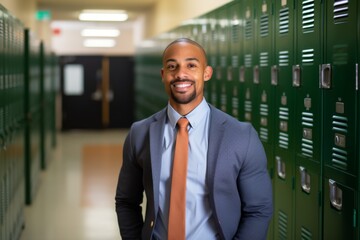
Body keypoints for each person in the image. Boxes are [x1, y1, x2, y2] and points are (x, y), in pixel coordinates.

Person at [115, 38, 273, 240]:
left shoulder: (241, 136)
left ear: (206, 73)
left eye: (191, 65)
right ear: (163, 75)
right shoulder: (140, 133)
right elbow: (126, 201)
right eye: (172, 66)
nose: (181, 74)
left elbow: (258, 209)